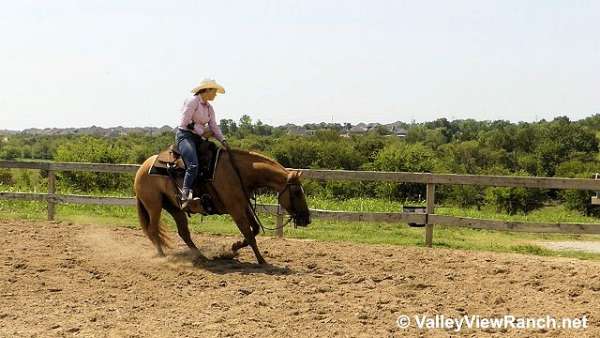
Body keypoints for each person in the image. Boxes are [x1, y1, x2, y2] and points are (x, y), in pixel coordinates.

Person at [176, 79, 229, 209]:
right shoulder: (192, 101)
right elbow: (184, 122)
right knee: (193, 164)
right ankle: (185, 194)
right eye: (214, 91)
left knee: (214, 160)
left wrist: (223, 140)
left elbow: (214, 126)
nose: (216, 94)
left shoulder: (209, 108)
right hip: (185, 136)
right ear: (207, 90)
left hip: (198, 138)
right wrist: (202, 131)